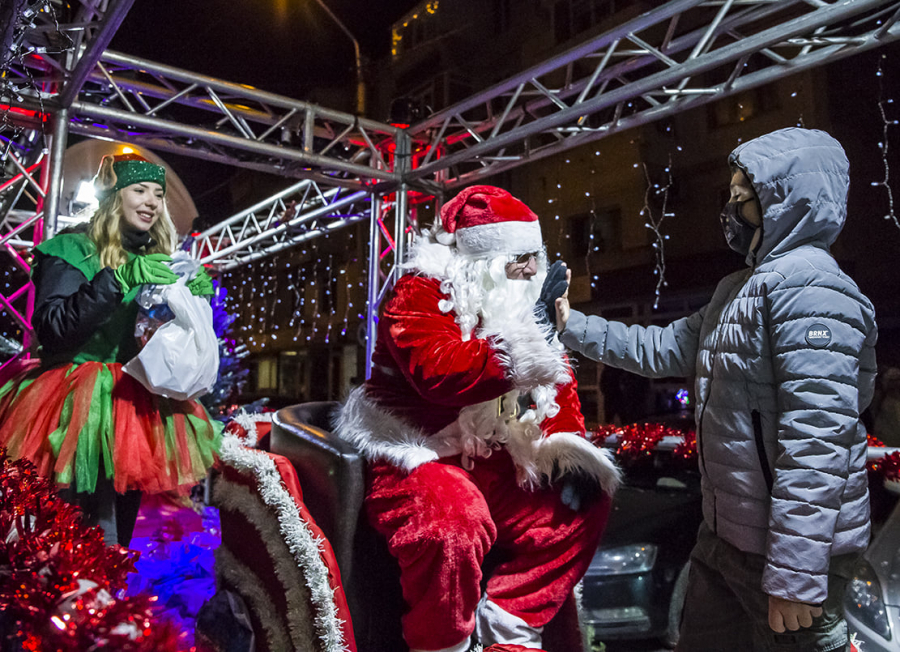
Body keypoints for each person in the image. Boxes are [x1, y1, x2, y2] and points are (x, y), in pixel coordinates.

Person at [556, 127, 877, 651]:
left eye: (742, 198)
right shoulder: (738, 289)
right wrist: (569, 323)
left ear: (785, 203)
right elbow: (659, 347)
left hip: (787, 552)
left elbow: (818, 438)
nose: (729, 211)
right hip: (725, 536)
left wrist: (796, 574)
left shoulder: (815, 290)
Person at [334, 185, 619, 652]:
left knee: (585, 501)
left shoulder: (523, 302)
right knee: (453, 522)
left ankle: (511, 625)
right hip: (419, 454)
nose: (531, 269)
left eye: (536, 256)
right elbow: (440, 374)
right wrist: (533, 335)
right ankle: (441, 643)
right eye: (518, 258)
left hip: (494, 456)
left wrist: (570, 447)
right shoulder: (418, 291)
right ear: (482, 259)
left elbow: (558, 389)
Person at [0, 153, 221, 546]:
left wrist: (194, 299)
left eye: (158, 194)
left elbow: (162, 347)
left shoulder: (156, 263)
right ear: (113, 197)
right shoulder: (71, 250)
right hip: (68, 406)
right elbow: (53, 329)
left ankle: (106, 604)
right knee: (65, 531)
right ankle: (65, 603)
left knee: (115, 533)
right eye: (139, 190)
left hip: (132, 407)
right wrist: (116, 280)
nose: (152, 201)